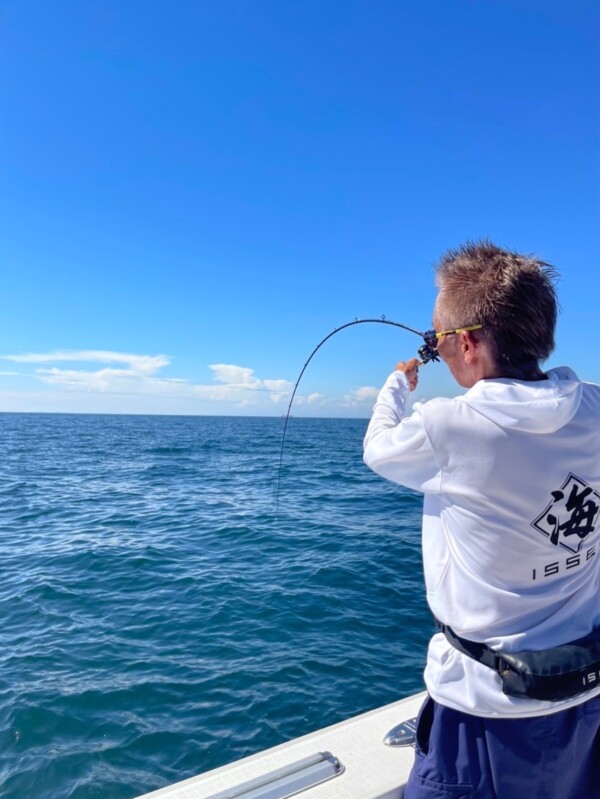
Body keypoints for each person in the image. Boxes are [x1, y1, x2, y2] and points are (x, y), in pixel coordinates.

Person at [363, 241, 600, 799]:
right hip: (585, 690)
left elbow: (376, 447)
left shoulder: (448, 427)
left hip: (487, 714)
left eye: (436, 338)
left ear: (466, 343)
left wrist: (398, 382)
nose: (435, 349)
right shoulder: (594, 407)